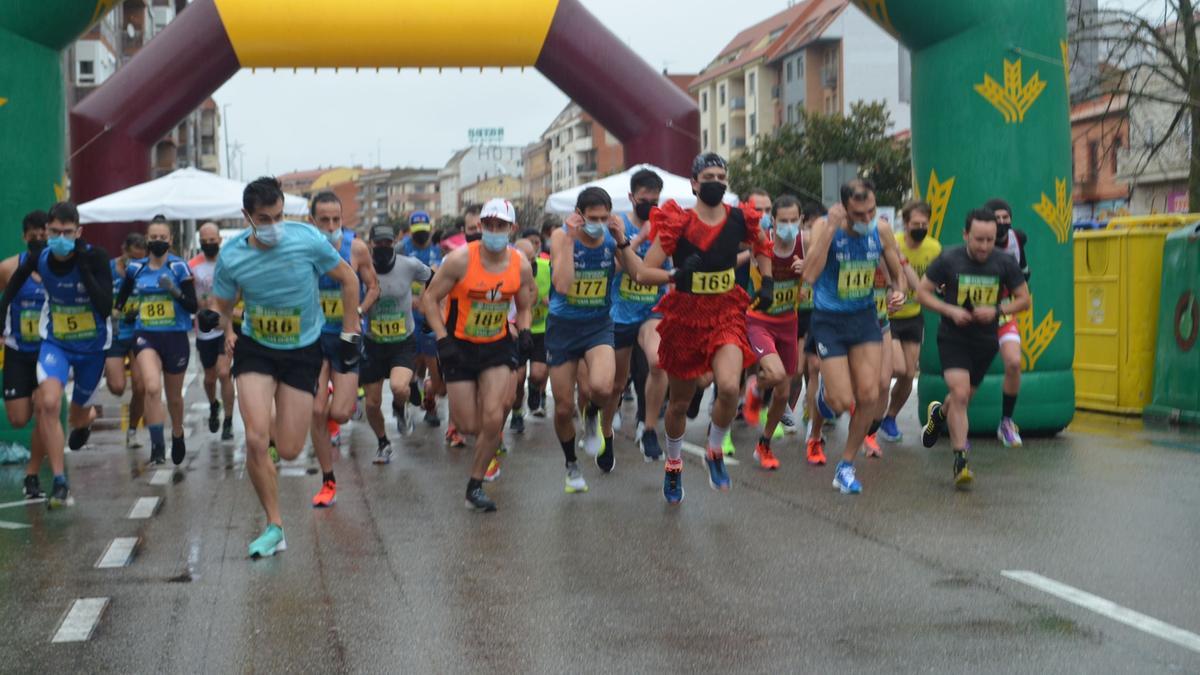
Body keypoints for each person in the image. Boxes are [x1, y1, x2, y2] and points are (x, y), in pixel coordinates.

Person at [212, 177, 362, 558]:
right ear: (247, 217)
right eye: (265, 218)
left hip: (301, 351)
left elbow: (348, 280)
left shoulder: (307, 240)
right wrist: (218, 325)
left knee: (293, 449)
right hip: (256, 349)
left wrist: (350, 331)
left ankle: (272, 412)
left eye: (279, 216)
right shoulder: (231, 256)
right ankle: (274, 525)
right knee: (256, 439)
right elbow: (222, 308)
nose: (274, 225)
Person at [636, 153, 773, 503]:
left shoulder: (740, 218)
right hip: (686, 316)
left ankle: (714, 451)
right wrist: (674, 275)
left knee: (729, 387)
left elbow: (762, 247)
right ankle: (674, 462)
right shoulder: (678, 223)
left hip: (726, 310)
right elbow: (643, 272)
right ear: (694, 183)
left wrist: (767, 280)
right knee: (679, 405)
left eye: (721, 176)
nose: (715, 181)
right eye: (708, 176)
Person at [421, 197, 535, 512]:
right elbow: (429, 300)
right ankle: (476, 452)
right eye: (489, 225)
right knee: (470, 425)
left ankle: (475, 484)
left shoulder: (520, 264)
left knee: (495, 415)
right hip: (459, 346)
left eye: (501, 226)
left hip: (497, 345)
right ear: (481, 226)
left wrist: (524, 331)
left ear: (512, 229)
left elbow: (525, 307)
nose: (494, 230)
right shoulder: (459, 260)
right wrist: (442, 339)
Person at [0, 202, 113, 509]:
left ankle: (85, 419)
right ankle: (60, 480)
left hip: (92, 348)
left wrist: (86, 270)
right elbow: (9, 290)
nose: (60, 237)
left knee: (75, 416)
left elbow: (105, 308)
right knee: (48, 403)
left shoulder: (96, 257)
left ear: (78, 232)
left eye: (67, 232)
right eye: (54, 232)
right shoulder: (40, 258)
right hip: (56, 344)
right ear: (46, 232)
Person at [802, 179, 905, 495]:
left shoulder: (881, 229)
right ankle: (822, 401)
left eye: (871, 211)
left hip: (863, 318)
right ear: (844, 209)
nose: (866, 219)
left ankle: (845, 466)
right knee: (838, 400)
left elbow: (896, 270)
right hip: (830, 320)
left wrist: (897, 290)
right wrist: (831, 229)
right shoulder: (825, 226)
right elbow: (808, 274)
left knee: (870, 394)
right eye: (858, 214)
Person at [919, 207, 1030, 487]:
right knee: (959, 393)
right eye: (978, 239)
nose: (984, 246)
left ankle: (938, 415)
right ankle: (960, 460)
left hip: (985, 340)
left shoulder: (1004, 263)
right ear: (965, 234)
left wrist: (996, 310)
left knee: (962, 397)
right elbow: (922, 292)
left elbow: (1024, 299)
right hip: (954, 337)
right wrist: (949, 310)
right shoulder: (948, 259)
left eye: (990, 240)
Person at [545, 187, 627, 493]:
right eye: (593, 218)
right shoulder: (560, 237)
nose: (599, 224)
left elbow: (633, 270)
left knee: (604, 388)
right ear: (579, 215)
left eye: (604, 218)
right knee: (564, 407)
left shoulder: (610, 238)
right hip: (563, 328)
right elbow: (563, 284)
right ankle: (571, 464)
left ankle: (591, 414)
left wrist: (622, 240)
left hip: (597, 325)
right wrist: (568, 238)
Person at [308, 191, 378, 508]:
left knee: (340, 412)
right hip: (312, 339)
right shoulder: (303, 250)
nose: (331, 225)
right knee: (316, 410)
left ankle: (336, 415)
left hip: (346, 337)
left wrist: (359, 312)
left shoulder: (357, 248)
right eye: (324, 220)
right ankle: (328, 481)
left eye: (336, 219)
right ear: (312, 221)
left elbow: (374, 286)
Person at [114, 216, 199, 465]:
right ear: (147, 239)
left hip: (174, 337)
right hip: (146, 335)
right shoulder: (135, 268)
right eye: (154, 238)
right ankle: (158, 447)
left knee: (174, 398)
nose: (158, 241)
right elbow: (123, 295)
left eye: (163, 238)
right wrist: (118, 315)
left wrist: (173, 290)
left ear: (171, 240)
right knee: (151, 387)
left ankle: (178, 432)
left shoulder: (179, 267)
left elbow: (192, 305)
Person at [603, 169, 671, 462]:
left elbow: (670, 269)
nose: (650, 206)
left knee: (658, 362)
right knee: (616, 384)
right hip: (620, 313)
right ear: (632, 198)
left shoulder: (666, 228)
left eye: (655, 200)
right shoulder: (617, 226)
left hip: (651, 312)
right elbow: (613, 271)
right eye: (645, 200)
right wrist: (639, 239)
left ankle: (650, 428)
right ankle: (605, 432)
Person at [743, 195, 806, 470]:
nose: (789, 226)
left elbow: (825, 266)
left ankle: (764, 444)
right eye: (783, 221)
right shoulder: (761, 240)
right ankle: (756, 387)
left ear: (801, 220)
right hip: (759, 320)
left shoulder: (807, 242)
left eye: (794, 220)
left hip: (788, 321)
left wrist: (810, 268)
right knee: (777, 374)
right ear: (773, 221)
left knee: (783, 393)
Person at [362, 224, 431, 463]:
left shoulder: (408, 264)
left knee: (400, 388)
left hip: (403, 342)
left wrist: (426, 301)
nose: (383, 247)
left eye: (387, 243)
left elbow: (433, 276)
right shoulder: (361, 268)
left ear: (394, 243)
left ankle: (400, 408)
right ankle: (383, 443)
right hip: (372, 343)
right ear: (370, 244)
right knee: (371, 404)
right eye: (378, 243)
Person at [880, 201, 941, 442]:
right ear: (905, 224)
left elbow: (928, 283)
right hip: (890, 315)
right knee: (897, 368)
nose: (920, 228)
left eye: (924, 224)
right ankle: (869, 410)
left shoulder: (934, 248)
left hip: (914, 315)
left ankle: (890, 418)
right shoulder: (891, 242)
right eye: (915, 224)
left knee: (908, 373)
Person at [0, 211, 48, 499]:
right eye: (34, 235)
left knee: (45, 409)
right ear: (24, 237)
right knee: (19, 418)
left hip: (49, 352)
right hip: (18, 351)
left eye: (44, 234)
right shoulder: (9, 268)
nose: (39, 239)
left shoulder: (59, 268)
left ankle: (32, 475)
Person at [984, 198, 1030, 447]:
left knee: (1013, 362)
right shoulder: (975, 245)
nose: (1002, 222)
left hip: (1001, 312)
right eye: (996, 218)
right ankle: (942, 415)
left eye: (1005, 218)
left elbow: (1025, 275)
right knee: (965, 385)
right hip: (976, 316)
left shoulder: (1017, 239)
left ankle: (1006, 422)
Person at [190, 222, 235, 441]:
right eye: (204, 241)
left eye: (212, 240)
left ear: (220, 240)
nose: (209, 244)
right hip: (204, 330)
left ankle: (228, 421)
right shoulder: (192, 266)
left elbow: (238, 292)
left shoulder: (228, 264)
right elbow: (189, 297)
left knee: (224, 373)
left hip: (225, 327)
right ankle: (213, 404)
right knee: (209, 379)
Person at [401, 210, 445, 428]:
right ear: (410, 231)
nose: (420, 236)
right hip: (408, 315)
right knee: (416, 361)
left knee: (433, 363)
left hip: (431, 316)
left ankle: (431, 404)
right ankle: (415, 391)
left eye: (424, 232)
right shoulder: (403, 249)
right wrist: (407, 298)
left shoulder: (437, 250)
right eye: (416, 232)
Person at [105, 233, 148, 448]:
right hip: (115, 333)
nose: (135, 263)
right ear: (124, 250)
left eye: (140, 259)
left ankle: (132, 430)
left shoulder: (146, 271)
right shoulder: (109, 269)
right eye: (131, 257)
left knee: (141, 387)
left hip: (139, 333)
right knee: (117, 387)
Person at [509, 238, 550, 431]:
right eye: (524, 260)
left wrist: (553, 299)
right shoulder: (506, 268)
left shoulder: (546, 267)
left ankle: (535, 388)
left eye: (531, 260)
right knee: (517, 379)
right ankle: (517, 414)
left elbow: (562, 284)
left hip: (540, 329)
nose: (528, 264)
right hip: (516, 331)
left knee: (538, 374)